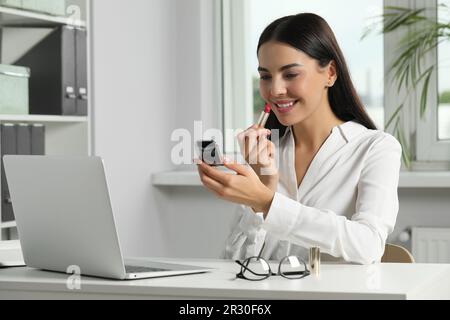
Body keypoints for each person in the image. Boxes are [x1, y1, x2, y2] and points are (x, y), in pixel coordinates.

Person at [197, 13, 402, 265]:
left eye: (290, 74)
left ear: (330, 73)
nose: (275, 90)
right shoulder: (267, 154)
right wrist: (264, 186)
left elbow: (368, 245)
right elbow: (234, 264)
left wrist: (267, 201)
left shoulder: (376, 148)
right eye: (265, 76)